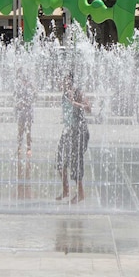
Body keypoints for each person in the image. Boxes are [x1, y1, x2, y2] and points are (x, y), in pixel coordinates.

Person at [56, 73, 91, 204]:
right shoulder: (64, 94)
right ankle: (65, 190)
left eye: (68, 81)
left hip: (80, 131)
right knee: (60, 160)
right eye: (64, 81)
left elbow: (89, 109)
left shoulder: (78, 92)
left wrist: (74, 103)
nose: (65, 84)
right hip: (68, 131)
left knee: (76, 162)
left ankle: (80, 193)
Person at [14, 67, 36, 157]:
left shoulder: (30, 86)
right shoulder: (19, 86)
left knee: (28, 130)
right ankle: (19, 147)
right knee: (20, 130)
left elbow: (35, 95)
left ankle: (28, 148)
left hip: (28, 110)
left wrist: (29, 102)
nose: (24, 79)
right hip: (21, 111)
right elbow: (15, 96)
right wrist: (18, 104)